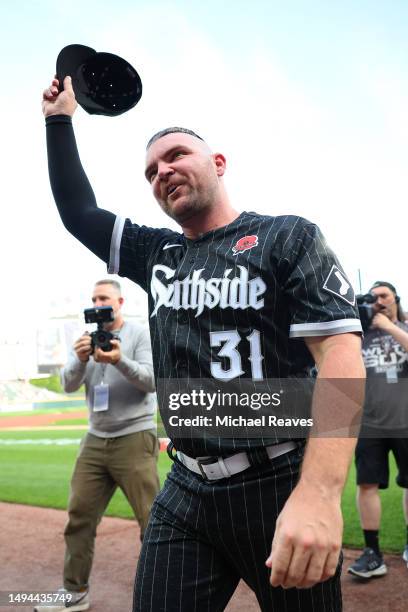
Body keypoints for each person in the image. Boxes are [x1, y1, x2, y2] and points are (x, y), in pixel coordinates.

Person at [42, 75, 365, 612]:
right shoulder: (157, 252)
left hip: (278, 478)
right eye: (150, 172)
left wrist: (322, 493)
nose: (162, 171)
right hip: (185, 488)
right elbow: (79, 214)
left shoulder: (286, 236)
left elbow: (340, 353)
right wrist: (58, 120)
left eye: (175, 155)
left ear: (217, 162)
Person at [34, 279, 159, 612]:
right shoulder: (85, 340)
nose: (98, 303)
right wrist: (79, 359)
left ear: (120, 302)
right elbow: (67, 383)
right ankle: (74, 593)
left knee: (153, 523)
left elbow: (150, 381)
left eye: (104, 298)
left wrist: (119, 360)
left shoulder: (139, 334)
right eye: (93, 298)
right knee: (79, 517)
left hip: (134, 436)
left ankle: (162, 594)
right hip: (95, 438)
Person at [348, 281, 408, 579]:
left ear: (396, 299)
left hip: (406, 422)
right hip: (369, 423)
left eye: (383, 295)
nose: (378, 300)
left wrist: (389, 326)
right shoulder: (362, 336)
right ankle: (373, 554)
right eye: (373, 296)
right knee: (367, 485)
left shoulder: (404, 330)